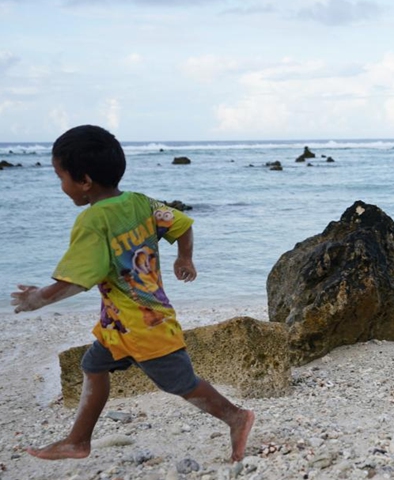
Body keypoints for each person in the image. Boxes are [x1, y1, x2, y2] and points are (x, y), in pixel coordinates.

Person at [10, 125, 254, 461]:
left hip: (144, 325)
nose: (61, 186)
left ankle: (236, 417)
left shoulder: (93, 221)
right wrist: (184, 257)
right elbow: (182, 224)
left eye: (60, 177)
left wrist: (37, 299)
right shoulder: (140, 202)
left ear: (84, 181)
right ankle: (78, 441)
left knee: (180, 383)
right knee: (93, 364)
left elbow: (78, 279)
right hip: (120, 325)